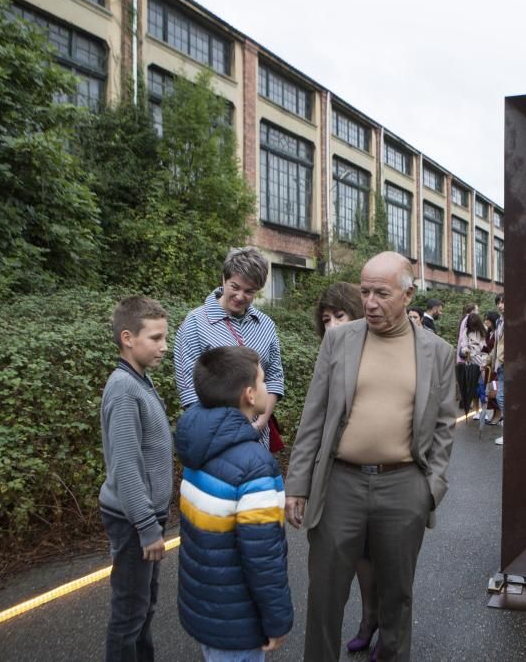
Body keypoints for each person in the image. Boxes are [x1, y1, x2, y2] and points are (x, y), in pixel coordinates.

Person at [285, 251, 457, 661]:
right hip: (340, 482)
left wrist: (430, 488)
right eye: (365, 292)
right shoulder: (339, 340)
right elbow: (315, 414)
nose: (370, 302)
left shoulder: (438, 352)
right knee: (325, 594)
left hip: (403, 487)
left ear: (408, 294)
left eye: (381, 292)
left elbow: (444, 426)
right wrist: (298, 483)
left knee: (397, 597)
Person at [175, 346, 292, 661]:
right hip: (238, 620)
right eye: (264, 381)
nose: (269, 388)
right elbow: (263, 557)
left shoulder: (198, 446)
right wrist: (278, 620)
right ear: (250, 395)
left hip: (205, 605)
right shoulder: (255, 465)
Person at [100, 297, 173, 661]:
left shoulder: (139, 382)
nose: (165, 346)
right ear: (128, 338)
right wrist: (147, 526)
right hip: (133, 521)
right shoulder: (125, 389)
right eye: (156, 338)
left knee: (144, 607)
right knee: (130, 613)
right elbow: (126, 466)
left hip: (145, 517)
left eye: (165, 337)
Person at [314, 283, 379, 655]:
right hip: (341, 477)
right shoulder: (329, 357)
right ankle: (369, 619)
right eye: (327, 319)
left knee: (384, 557)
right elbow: (314, 423)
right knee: (354, 556)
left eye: (341, 316)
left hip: (387, 479)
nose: (334, 326)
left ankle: (383, 622)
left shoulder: (384, 353)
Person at [174, 247, 285, 452]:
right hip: (213, 440)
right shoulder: (195, 323)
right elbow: (189, 389)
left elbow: (275, 377)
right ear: (224, 279)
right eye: (235, 286)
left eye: (249, 291)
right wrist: (225, 432)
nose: (240, 296)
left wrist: (261, 422)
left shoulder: (266, 325)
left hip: (258, 439)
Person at [460, 312, 489, 419]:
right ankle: (477, 411)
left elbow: (488, 346)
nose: (472, 326)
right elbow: (463, 346)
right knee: (473, 387)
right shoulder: (466, 332)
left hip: (483, 361)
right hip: (471, 361)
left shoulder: (484, 330)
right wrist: (466, 350)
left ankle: (484, 411)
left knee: (483, 387)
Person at [455, 303, 480, 416]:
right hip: (467, 355)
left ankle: (465, 402)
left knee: (465, 379)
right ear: (473, 310)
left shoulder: (463, 319)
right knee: (470, 380)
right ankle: (466, 402)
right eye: (477, 309)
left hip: (462, 353)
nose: (478, 312)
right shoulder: (469, 320)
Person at [492, 295, 506, 446]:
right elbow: (497, 344)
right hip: (500, 364)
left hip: (509, 364)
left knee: (502, 397)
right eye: (498, 303)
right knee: (502, 397)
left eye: (503, 302)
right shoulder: (499, 321)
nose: (500, 305)